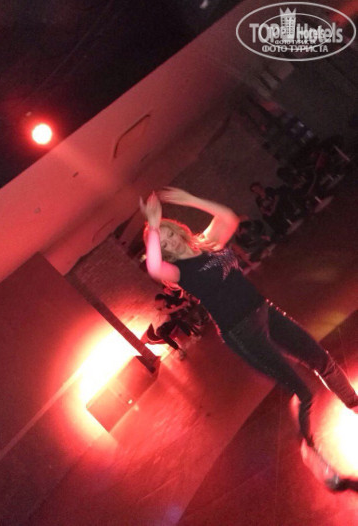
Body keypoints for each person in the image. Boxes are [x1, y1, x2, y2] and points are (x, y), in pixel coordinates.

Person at [140, 187, 358, 448]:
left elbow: (228, 217)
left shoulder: (208, 242)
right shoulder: (178, 272)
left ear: (178, 230)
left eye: (170, 235)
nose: (171, 243)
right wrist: (153, 226)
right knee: (302, 391)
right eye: (164, 244)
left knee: (321, 359)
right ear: (163, 251)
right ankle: (309, 447)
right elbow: (154, 267)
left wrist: (191, 199)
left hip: (264, 309)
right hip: (242, 332)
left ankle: (353, 403)